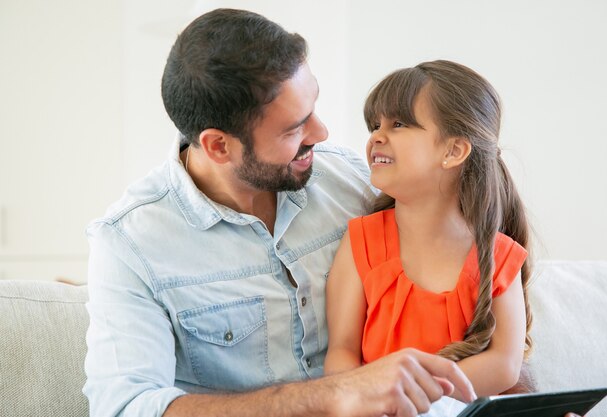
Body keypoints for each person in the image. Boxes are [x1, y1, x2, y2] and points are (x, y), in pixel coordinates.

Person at [83, 8, 477, 417]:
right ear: (219, 146)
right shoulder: (130, 243)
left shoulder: (354, 182)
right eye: (294, 129)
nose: (321, 134)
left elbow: (472, 260)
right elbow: (125, 407)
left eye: (313, 108)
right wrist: (333, 395)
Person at [324, 60, 532, 403]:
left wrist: (420, 394)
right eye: (376, 124)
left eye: (399, 124)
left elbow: (504, 365)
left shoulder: (499, 256)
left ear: (453, 151)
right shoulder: (363, 240)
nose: (377, 136)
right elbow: (341, 351)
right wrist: (369, 399)